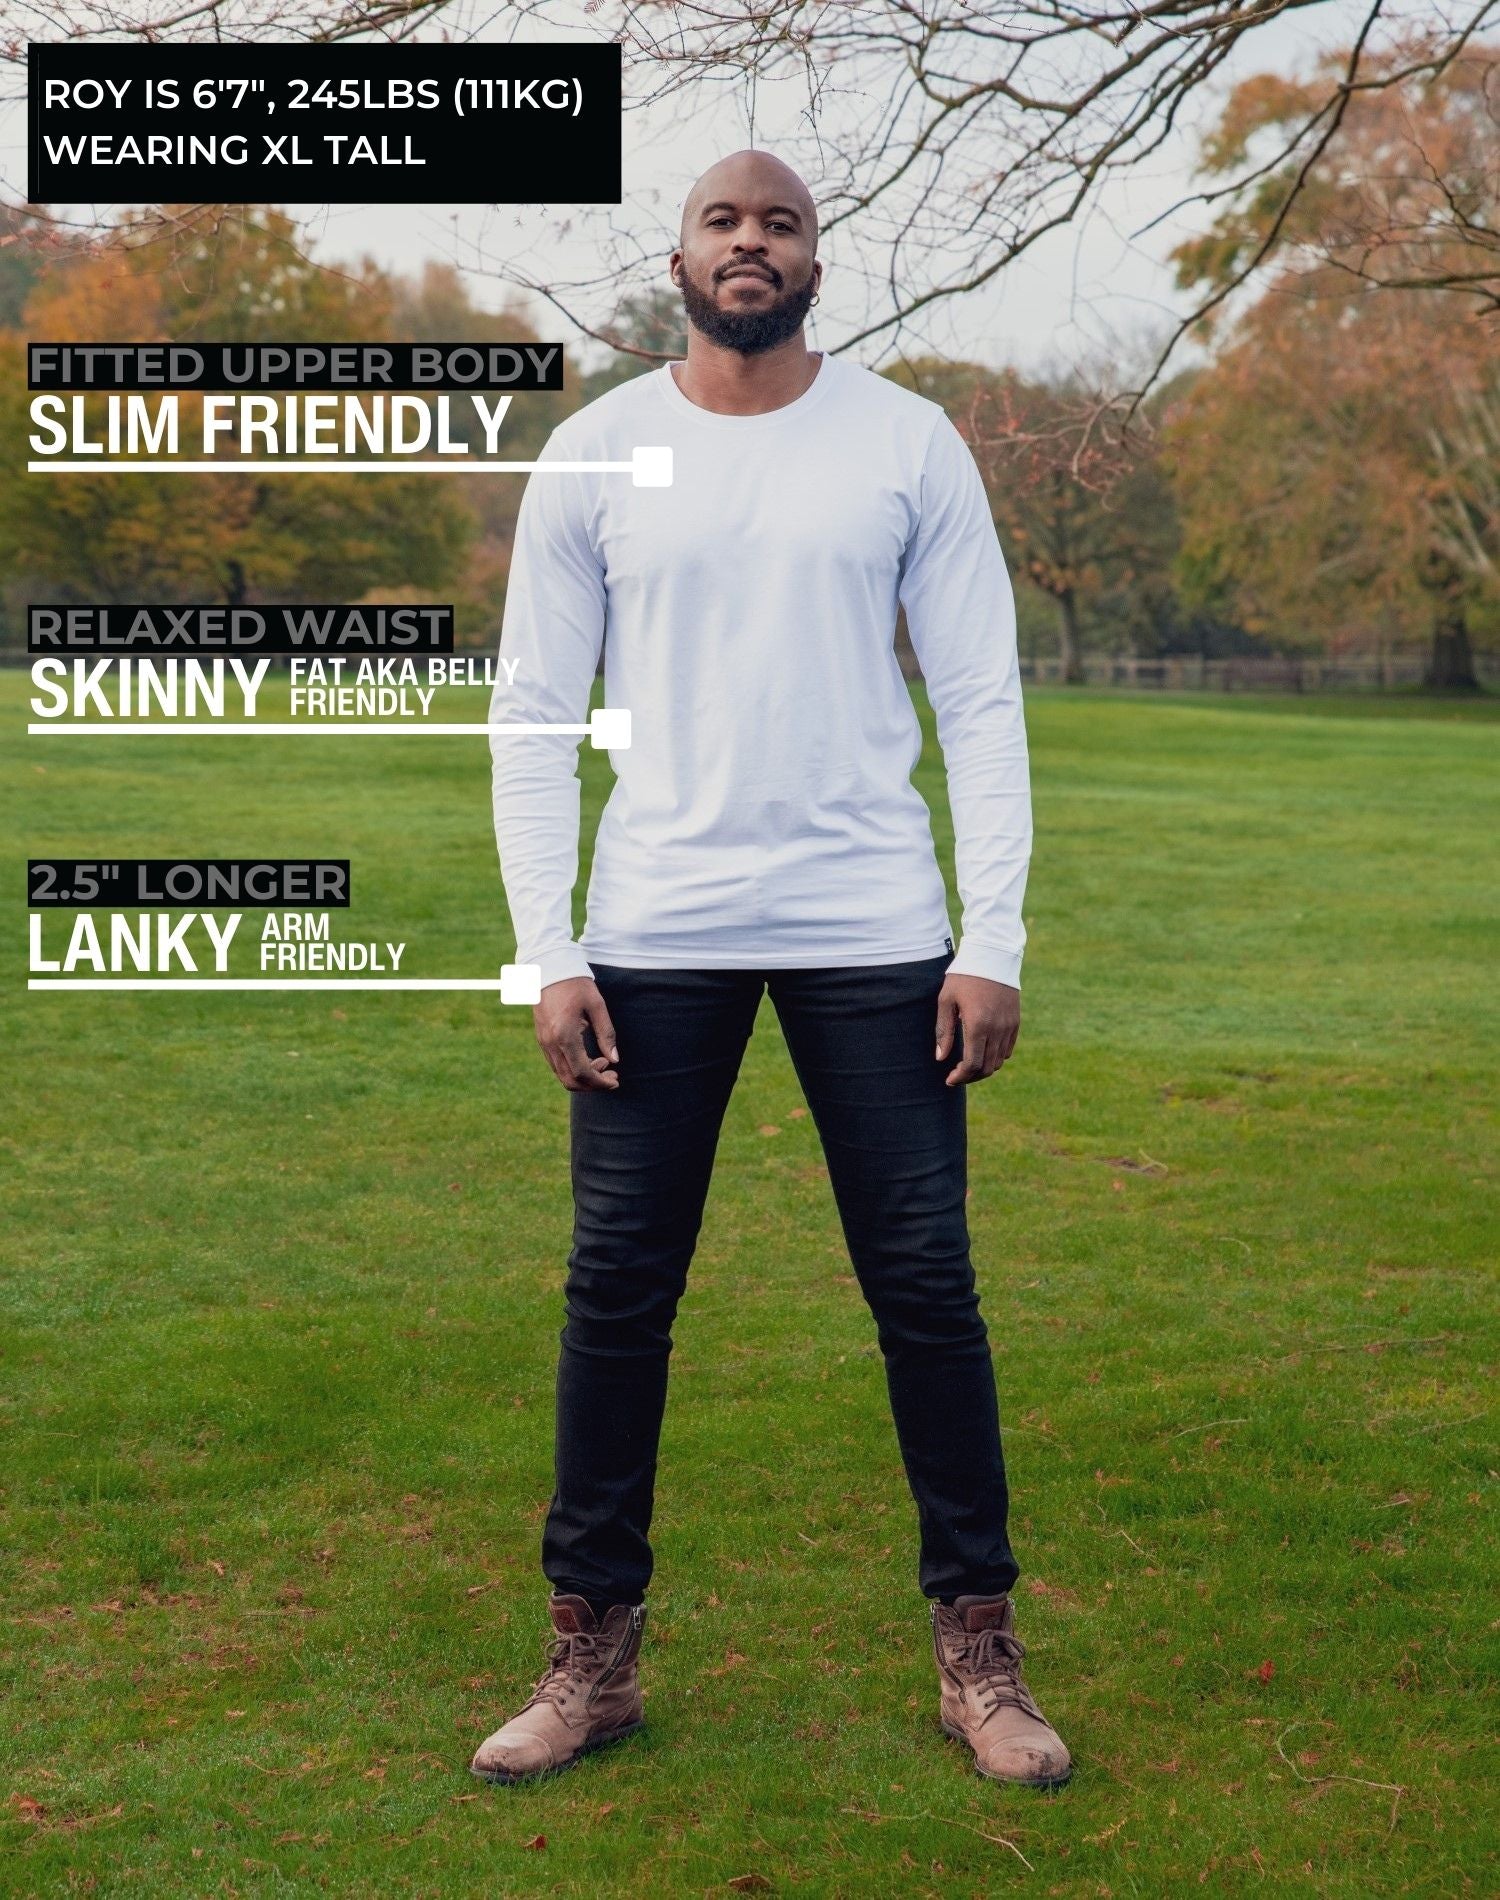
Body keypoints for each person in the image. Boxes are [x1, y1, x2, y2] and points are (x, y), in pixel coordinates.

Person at [472, 148, 1071, 1792]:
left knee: (926, 1294)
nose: (753, 242)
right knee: (617, 1299)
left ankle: (980, 1656)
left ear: (818, 257)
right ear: (677, 255)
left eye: (782, 222)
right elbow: (534, 723)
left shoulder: (904, 442)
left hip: (876, 929)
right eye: (725, 222)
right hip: (653, 931)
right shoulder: (597, 453)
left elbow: (983, 704)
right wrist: (549, 951)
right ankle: (589, 1660)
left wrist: (991, 938)